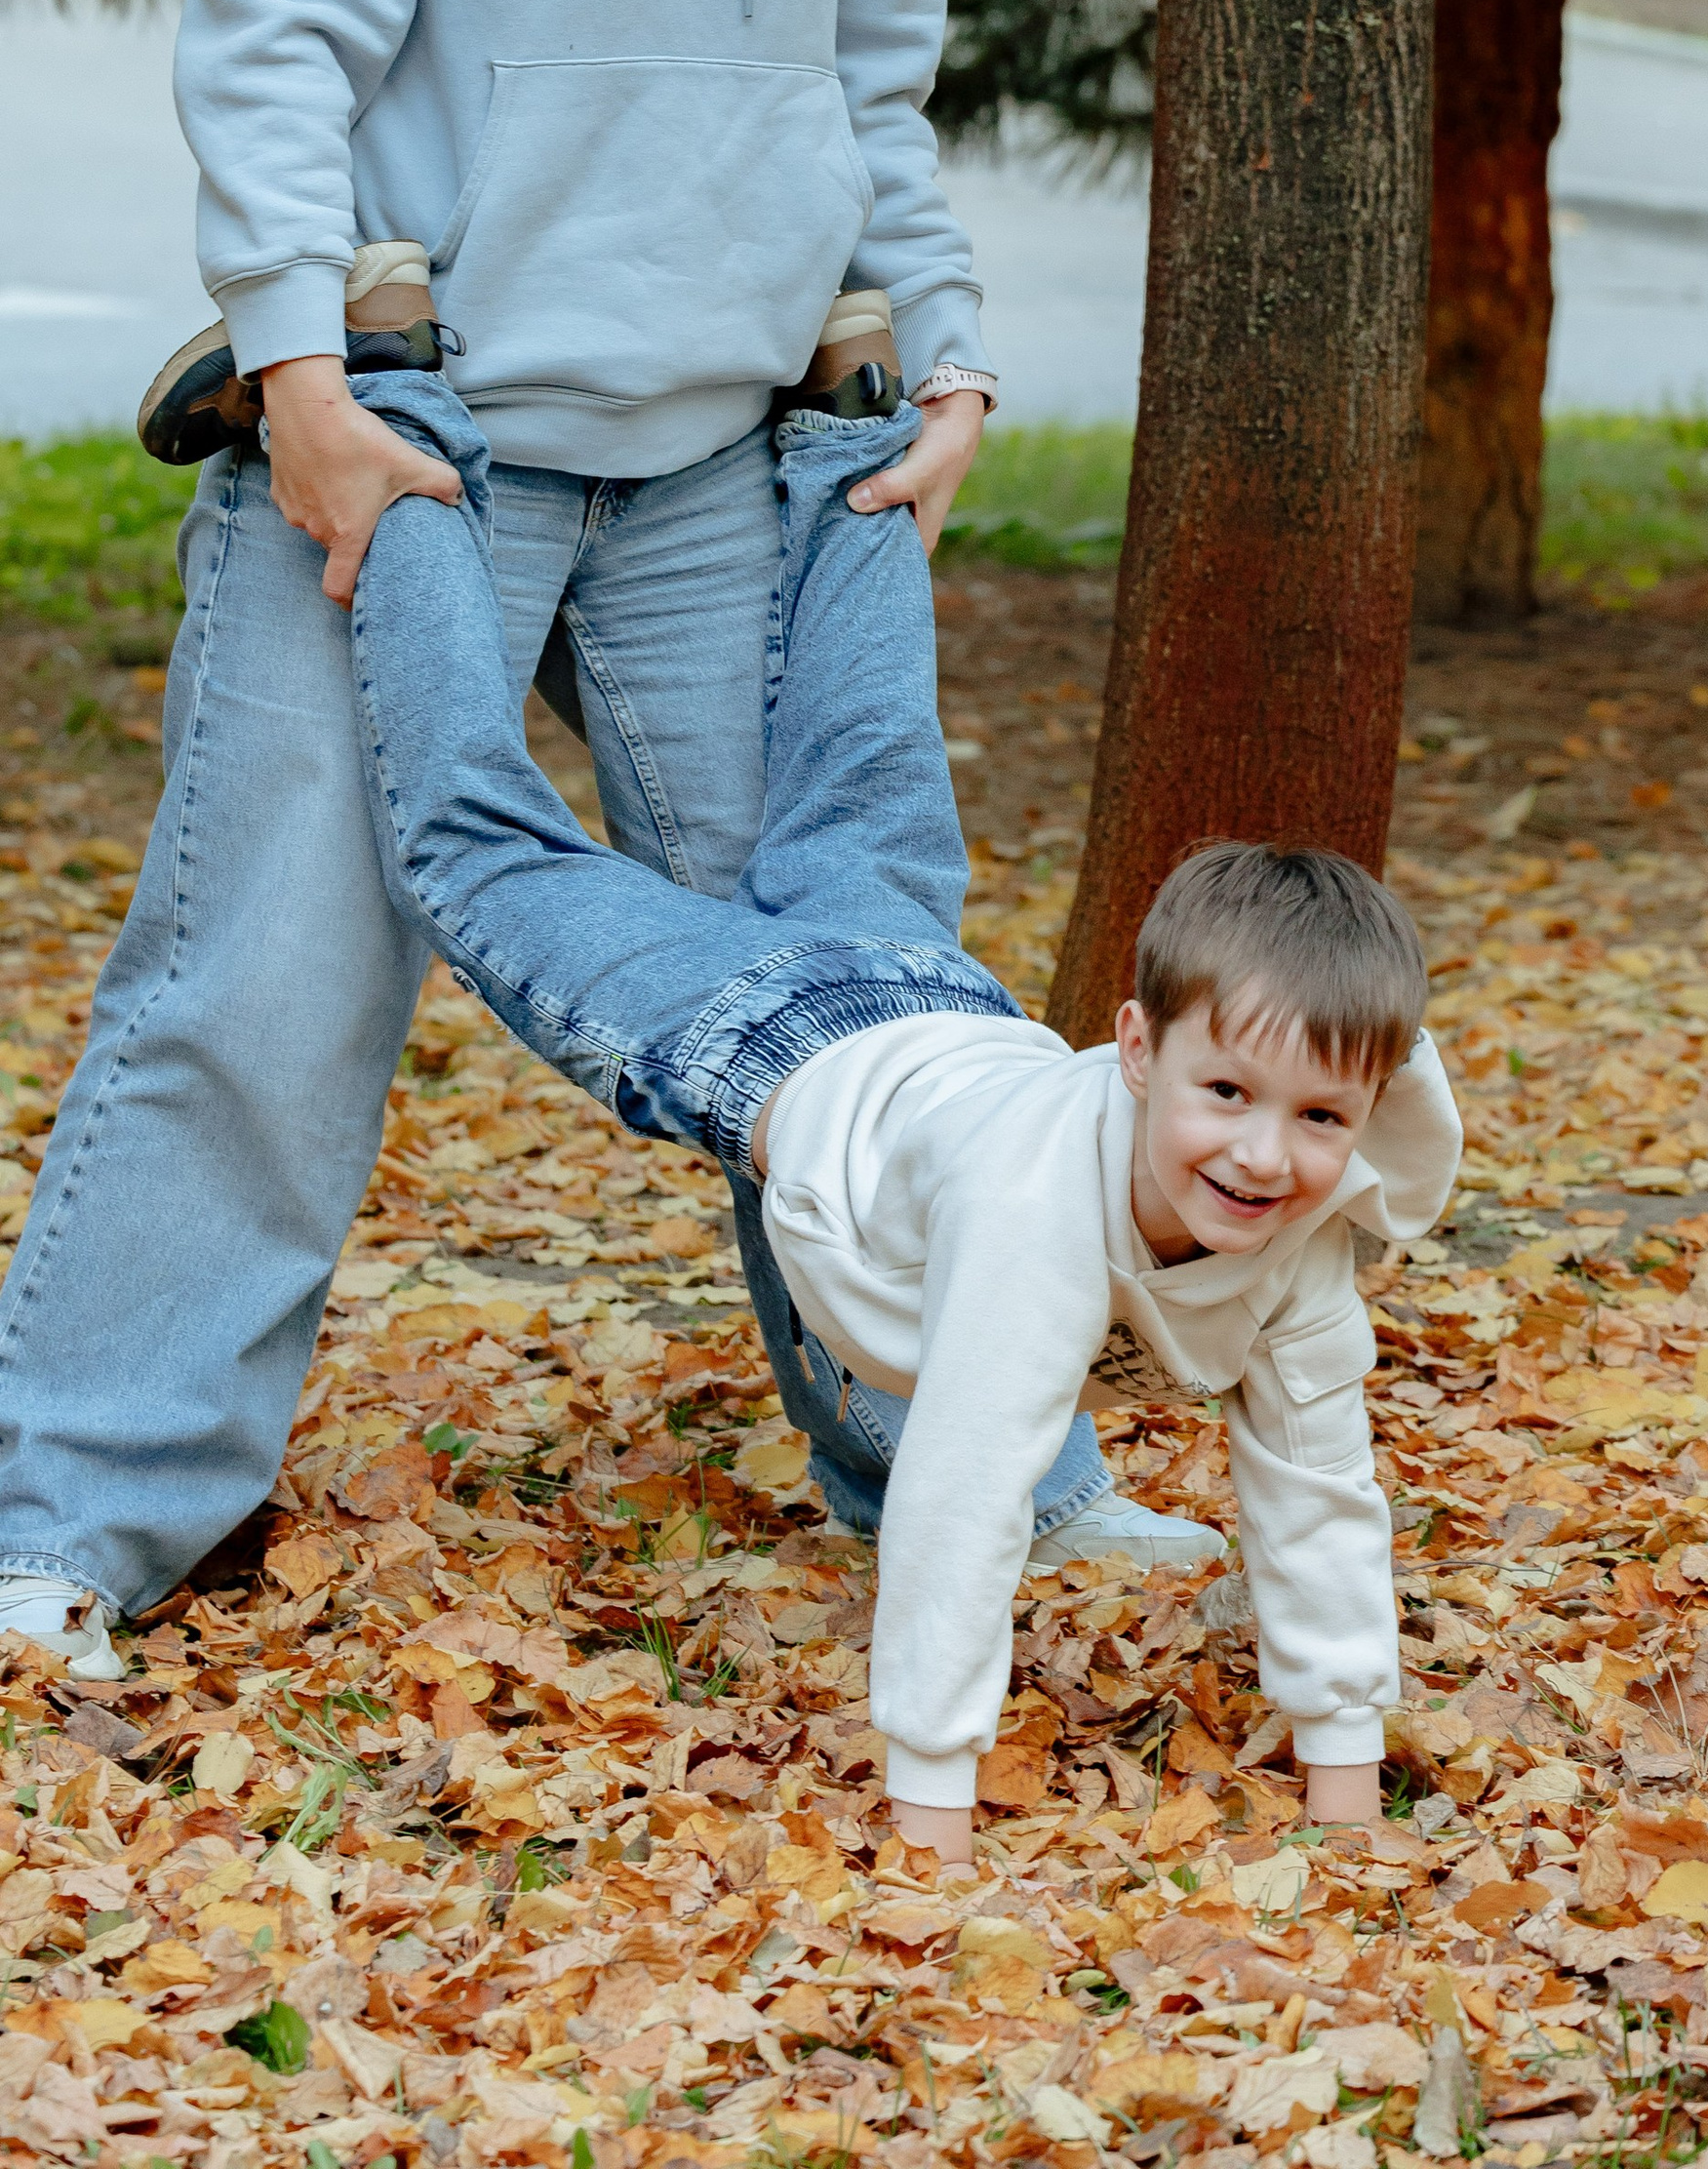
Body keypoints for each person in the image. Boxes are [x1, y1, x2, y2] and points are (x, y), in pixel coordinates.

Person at [0, 0, 1210, 1679]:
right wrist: (296, 382)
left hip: (726, 463)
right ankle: (71, 1525)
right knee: (267, 983)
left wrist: (940, 355)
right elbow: (273, 62)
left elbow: (872, 87)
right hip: (407, 451)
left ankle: (983, 1479)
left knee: (850, 989)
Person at [334, 368, 1464, 1860]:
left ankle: (853, 414)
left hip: (937, 999)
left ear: (1373, 1110)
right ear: (1134, 1050)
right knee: (482, 851)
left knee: (863, 746)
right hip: (766, 1045)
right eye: (1229, 1094)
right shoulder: (1033, 1228)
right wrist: (928, 1815)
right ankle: (399, 428)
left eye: (1322, 1119)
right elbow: (964, 1501)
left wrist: (1346, 1794)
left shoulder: (1306, 1252)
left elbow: (1321, 1500)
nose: (1265, 1155)